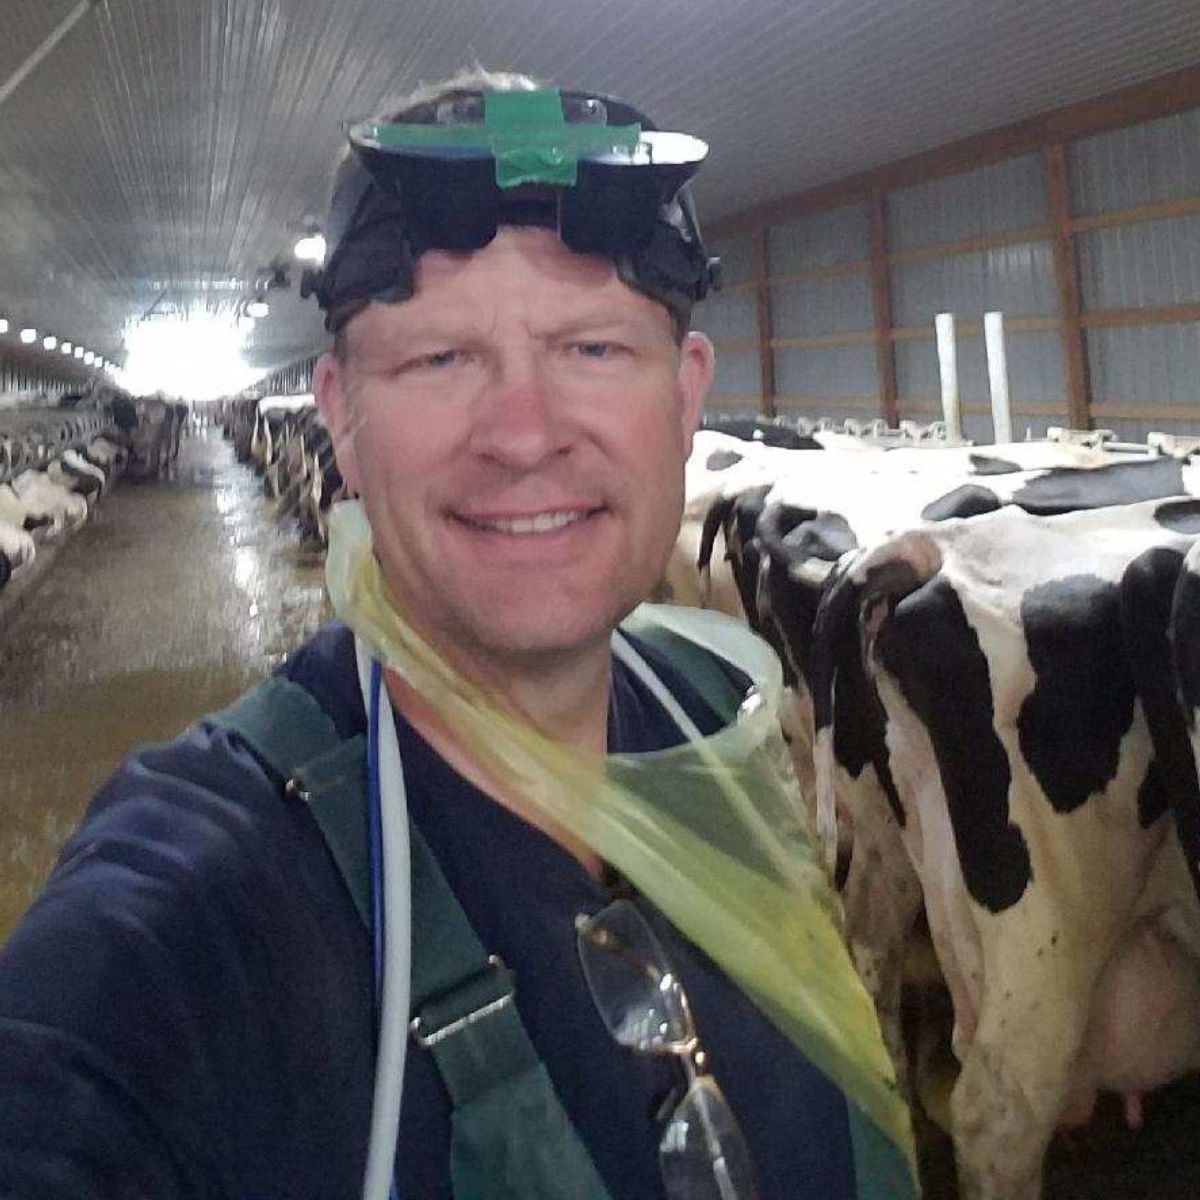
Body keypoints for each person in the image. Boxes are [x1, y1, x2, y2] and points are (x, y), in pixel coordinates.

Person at [0, 71, 915, 1200]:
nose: (524, 436)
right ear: (338, 412)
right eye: (440, 358)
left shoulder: (718, 723)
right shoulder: (197, 911)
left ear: (686, 398)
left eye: (592, 350)